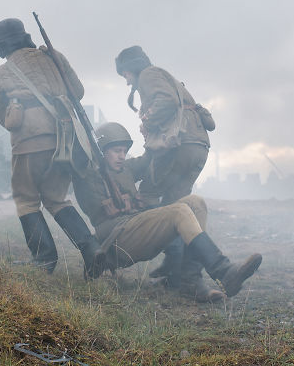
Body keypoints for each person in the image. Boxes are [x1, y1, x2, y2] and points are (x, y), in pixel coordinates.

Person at [72, 122, 261, 301]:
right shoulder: (89, 174)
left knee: (196, 203)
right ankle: (223, 271)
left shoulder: (125, 169)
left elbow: (148, 158)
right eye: (116, 151)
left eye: (124, 151)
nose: (122, 156)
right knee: (179, 211)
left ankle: (189, 280)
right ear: (101, 151)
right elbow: (76, 165)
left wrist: (152, 138)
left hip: (137, 228)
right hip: (116, 238)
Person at [0, 17, 104, 279]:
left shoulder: (2, 72)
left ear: (0, 45)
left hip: (29, 141)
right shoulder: (53, 56)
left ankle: (44, 258)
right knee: (56, 198)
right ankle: (91, 248)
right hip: (64, 139)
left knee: (26, 199)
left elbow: (1, 115)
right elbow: (78, 91)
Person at [114, 45, 216, 283]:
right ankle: (179, 271)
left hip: (178, 146)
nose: (127, 81)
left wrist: (147, 122)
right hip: (198, 147)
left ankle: (173, 261)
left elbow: (166, 101)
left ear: (132, 68)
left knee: (147, 196)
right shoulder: (166, 76)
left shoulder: (148, 75)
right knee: (177, 206)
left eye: (125, 74)